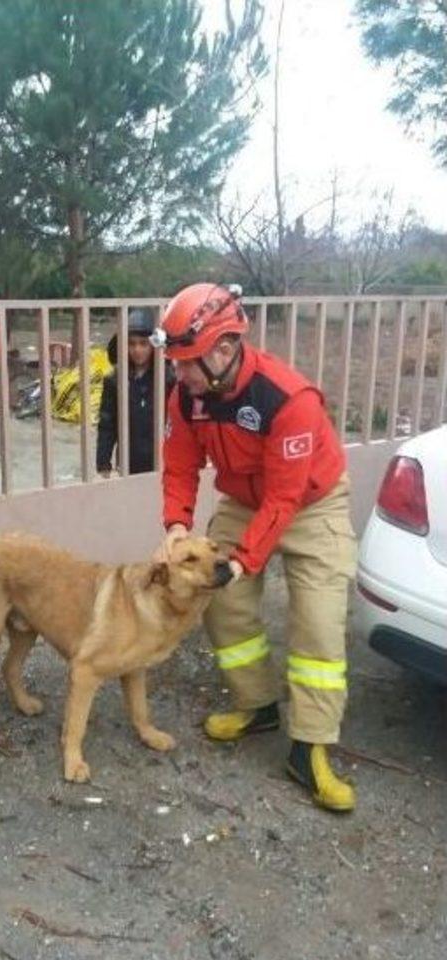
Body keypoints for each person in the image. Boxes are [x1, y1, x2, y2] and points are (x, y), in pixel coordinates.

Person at [152, 282, 357, 812]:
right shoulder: (189, 396)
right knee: (222, 605)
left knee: (317, 624)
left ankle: (309, 749)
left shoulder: (288, 398)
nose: (180, 374)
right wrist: (176, 525)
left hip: (312, 505)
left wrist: (243, 561)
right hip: (244, 499)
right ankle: (257, 703)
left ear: (224, 348)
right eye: (174, 363)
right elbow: (179, 465)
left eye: (188, 362)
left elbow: (286, 498)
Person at [96, 307, 174, 477]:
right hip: (128, 460)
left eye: (143, 344)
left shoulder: (168, 378)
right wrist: (103, 463)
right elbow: (107, 424)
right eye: (132, 344)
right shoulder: (115, 379)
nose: (137, 350)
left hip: (163, 460)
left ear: (154, 346)